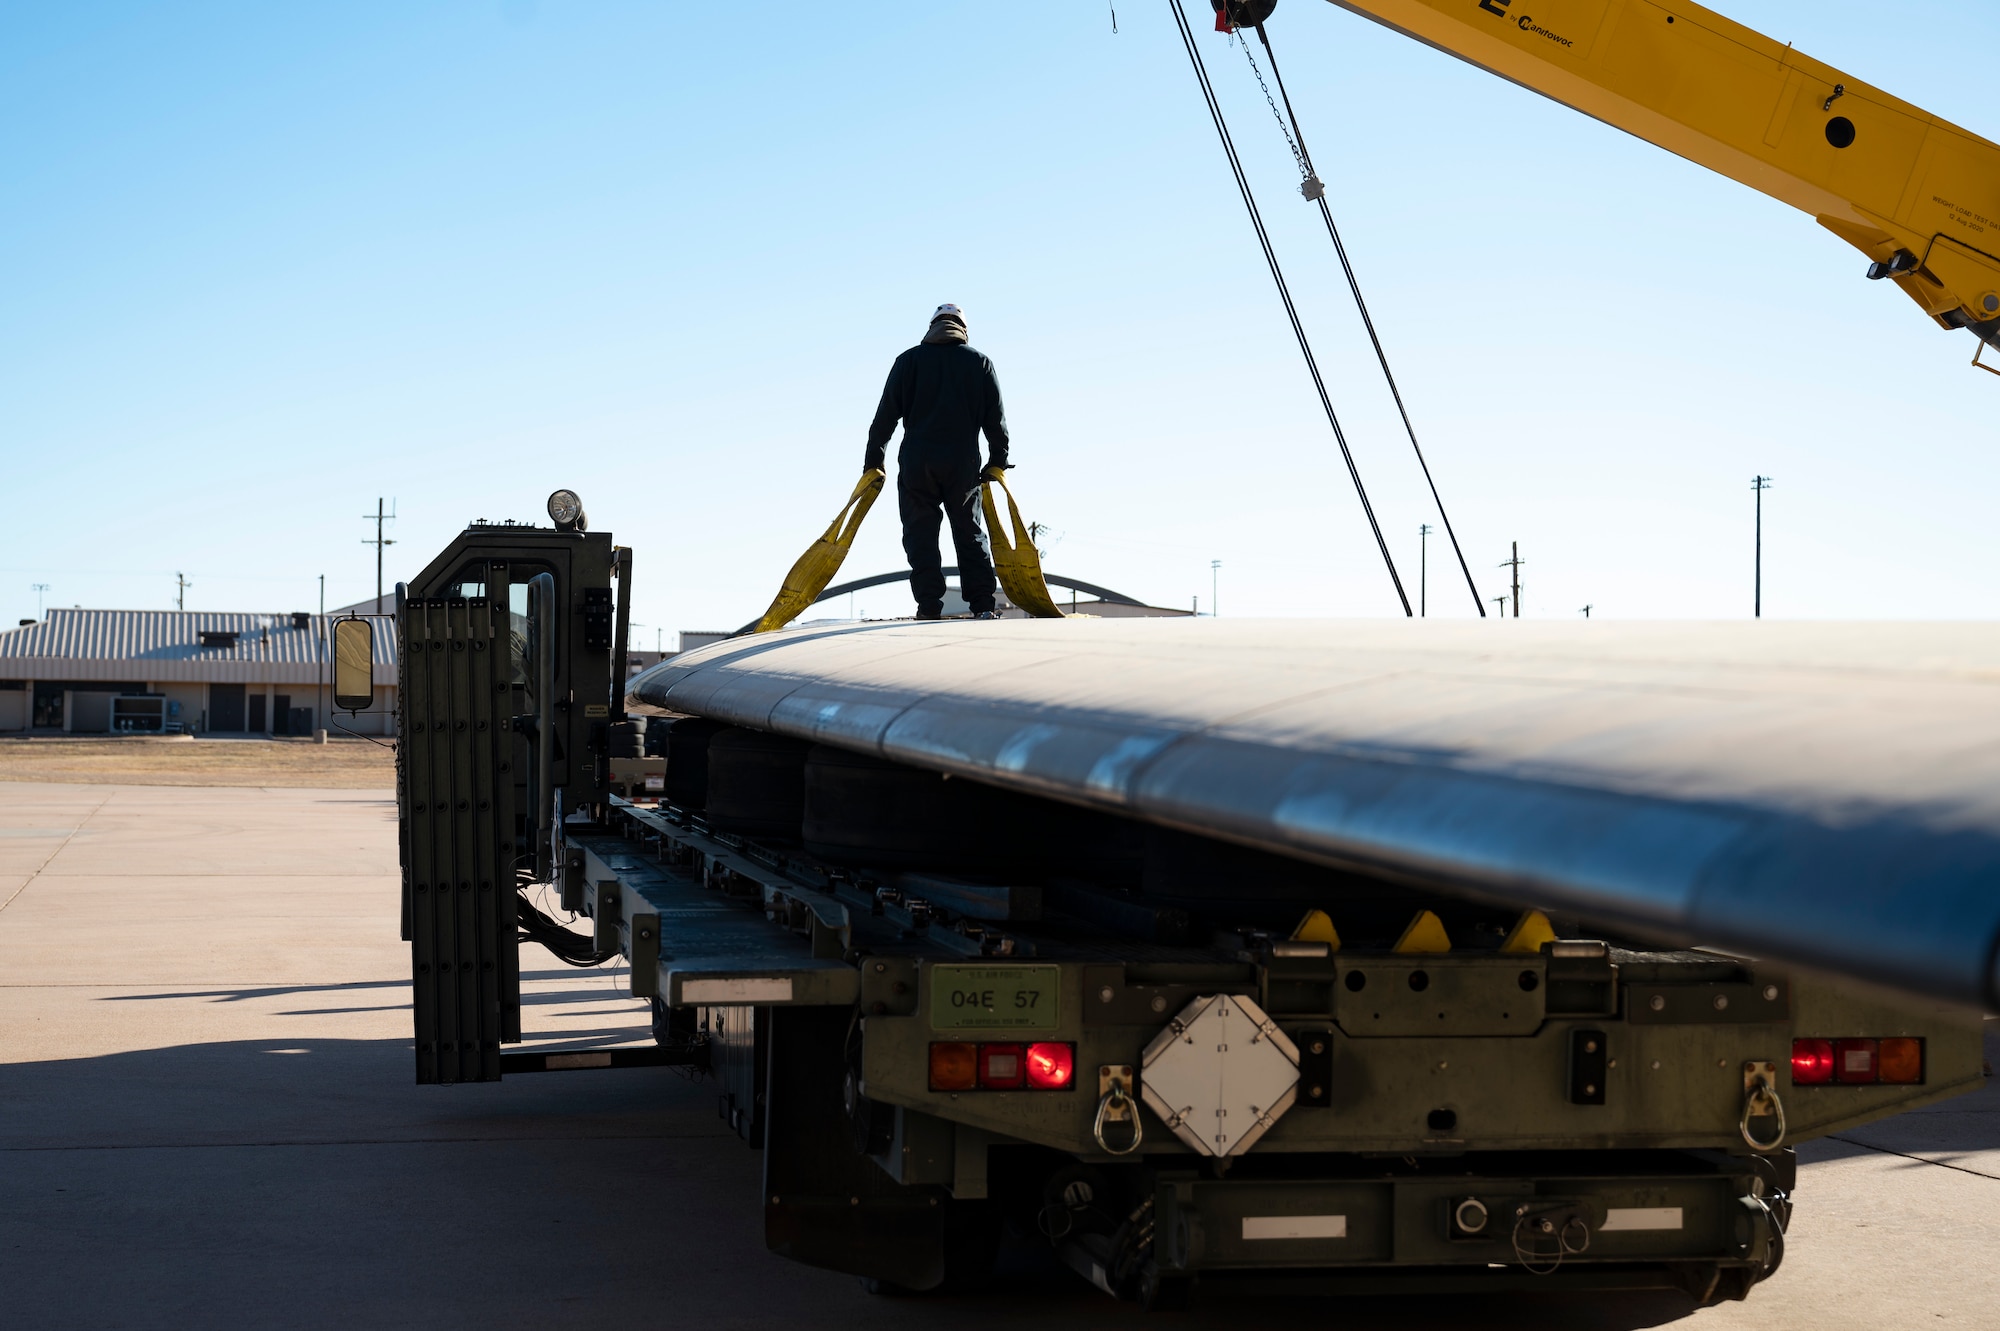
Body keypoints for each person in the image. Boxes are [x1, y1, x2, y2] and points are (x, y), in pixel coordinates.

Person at [864, 303, 1010, 620]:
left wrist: (873, 463)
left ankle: (928, 605)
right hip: (962, 463)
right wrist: (998, 460)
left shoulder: (908, 362)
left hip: (918, 462)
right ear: (963, 329)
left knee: (920, 534)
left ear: (931, 327)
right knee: (970, 533)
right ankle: (983, 604)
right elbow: (995, 422)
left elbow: (884, 419)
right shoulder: (979, 363)